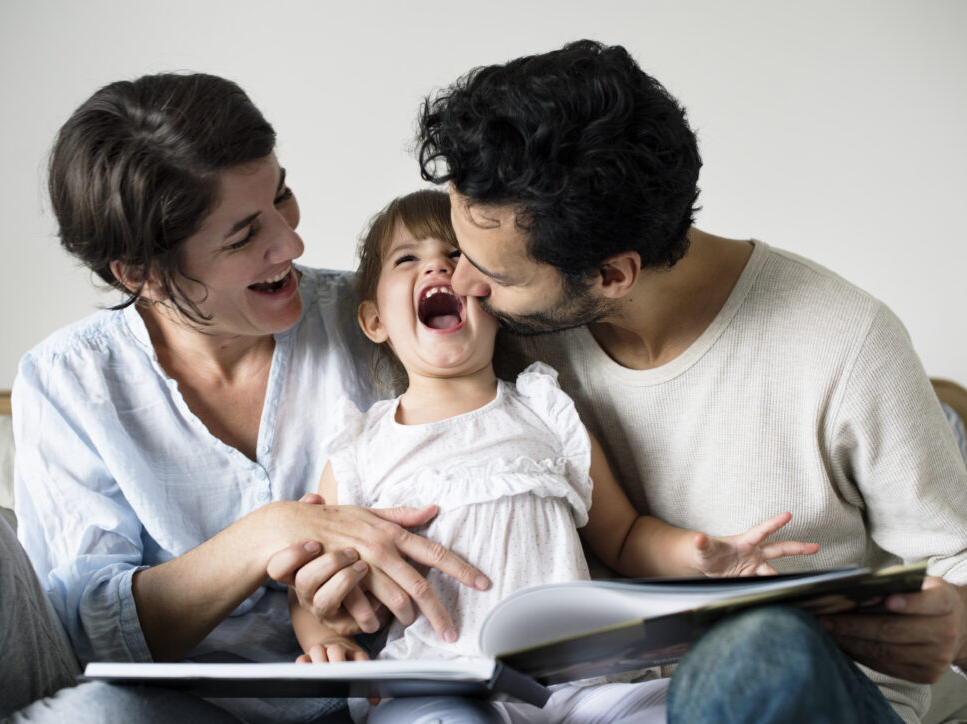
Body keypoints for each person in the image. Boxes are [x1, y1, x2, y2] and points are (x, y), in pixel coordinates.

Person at [410, 40, 967, 724]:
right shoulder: (498, 338)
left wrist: (951, 618)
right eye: (459, 252)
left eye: (493, 275)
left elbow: (955, 562)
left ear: (614, 275)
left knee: (752, 649)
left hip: (817, 700)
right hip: (601, 705)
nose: (463, 286)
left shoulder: (844, 341)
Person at [0, 72, 494, 723]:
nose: (291, 243)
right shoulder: (68, 381)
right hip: (166, 707)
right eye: (242, 237)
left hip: (373, 693)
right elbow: (81, 638)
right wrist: (271, 531)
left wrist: (357, 594)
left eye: (282, 195)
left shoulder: (380, 320)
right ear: (142, 274)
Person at [288, 189, 820, 723]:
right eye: (409, 259)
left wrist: (701, 556)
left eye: (457, 256)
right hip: (438, 678)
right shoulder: (359, 447)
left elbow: (626, 535)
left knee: (678, 711)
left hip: (579, 678)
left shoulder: (546, 410)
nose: (439, 268)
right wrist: (325, 641)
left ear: (489, 296)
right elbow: (313, 585)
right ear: (374, 320)